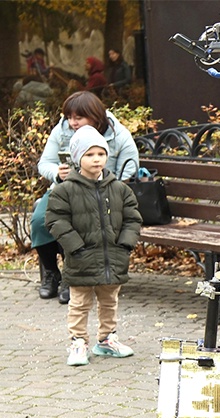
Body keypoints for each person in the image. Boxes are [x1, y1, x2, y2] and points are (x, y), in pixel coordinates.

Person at [45, 125, 142, 366]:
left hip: (113, 259)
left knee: (110, 301)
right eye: (89, 154)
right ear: (78, 158)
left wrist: (125, 245)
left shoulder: (120, 189)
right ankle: (78, 342)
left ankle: (107, 339)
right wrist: (76, 247)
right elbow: (56, 220)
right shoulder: (65, 190)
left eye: (101, 153)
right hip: (81, 258)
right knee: (79, 303)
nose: (96, 159)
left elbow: (132, 219)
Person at [31, 91, 139, 302]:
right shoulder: (61, 130)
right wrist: (57, 173)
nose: (72, 122)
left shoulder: (117, 133)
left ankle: (70, 280)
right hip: (64, 189)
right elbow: (44, 163)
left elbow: (131, 167)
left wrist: (110, 184)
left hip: (103, 193)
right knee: (39, 220)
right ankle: (52, 273)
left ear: (94, 115)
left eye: (78, 117)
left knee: (77, 220)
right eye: (69, 117)